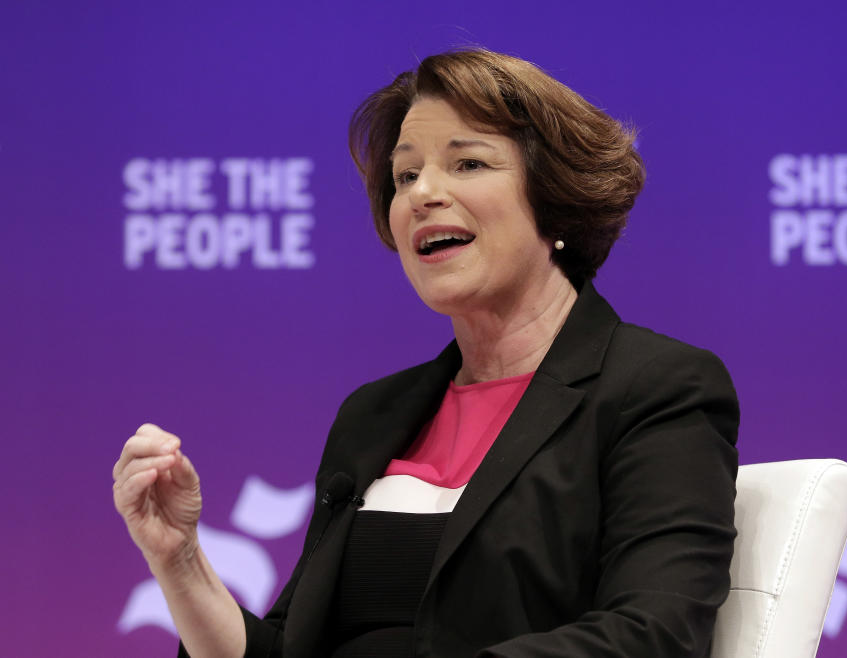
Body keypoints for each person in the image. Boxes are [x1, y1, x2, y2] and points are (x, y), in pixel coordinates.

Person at [112, 49, 739, 657]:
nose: (421, 194)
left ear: (557, 199)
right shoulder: (373, 415)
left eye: (466, 165)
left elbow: (655, 633)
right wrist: (181, 559)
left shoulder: (655, 388)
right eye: (405, 175)